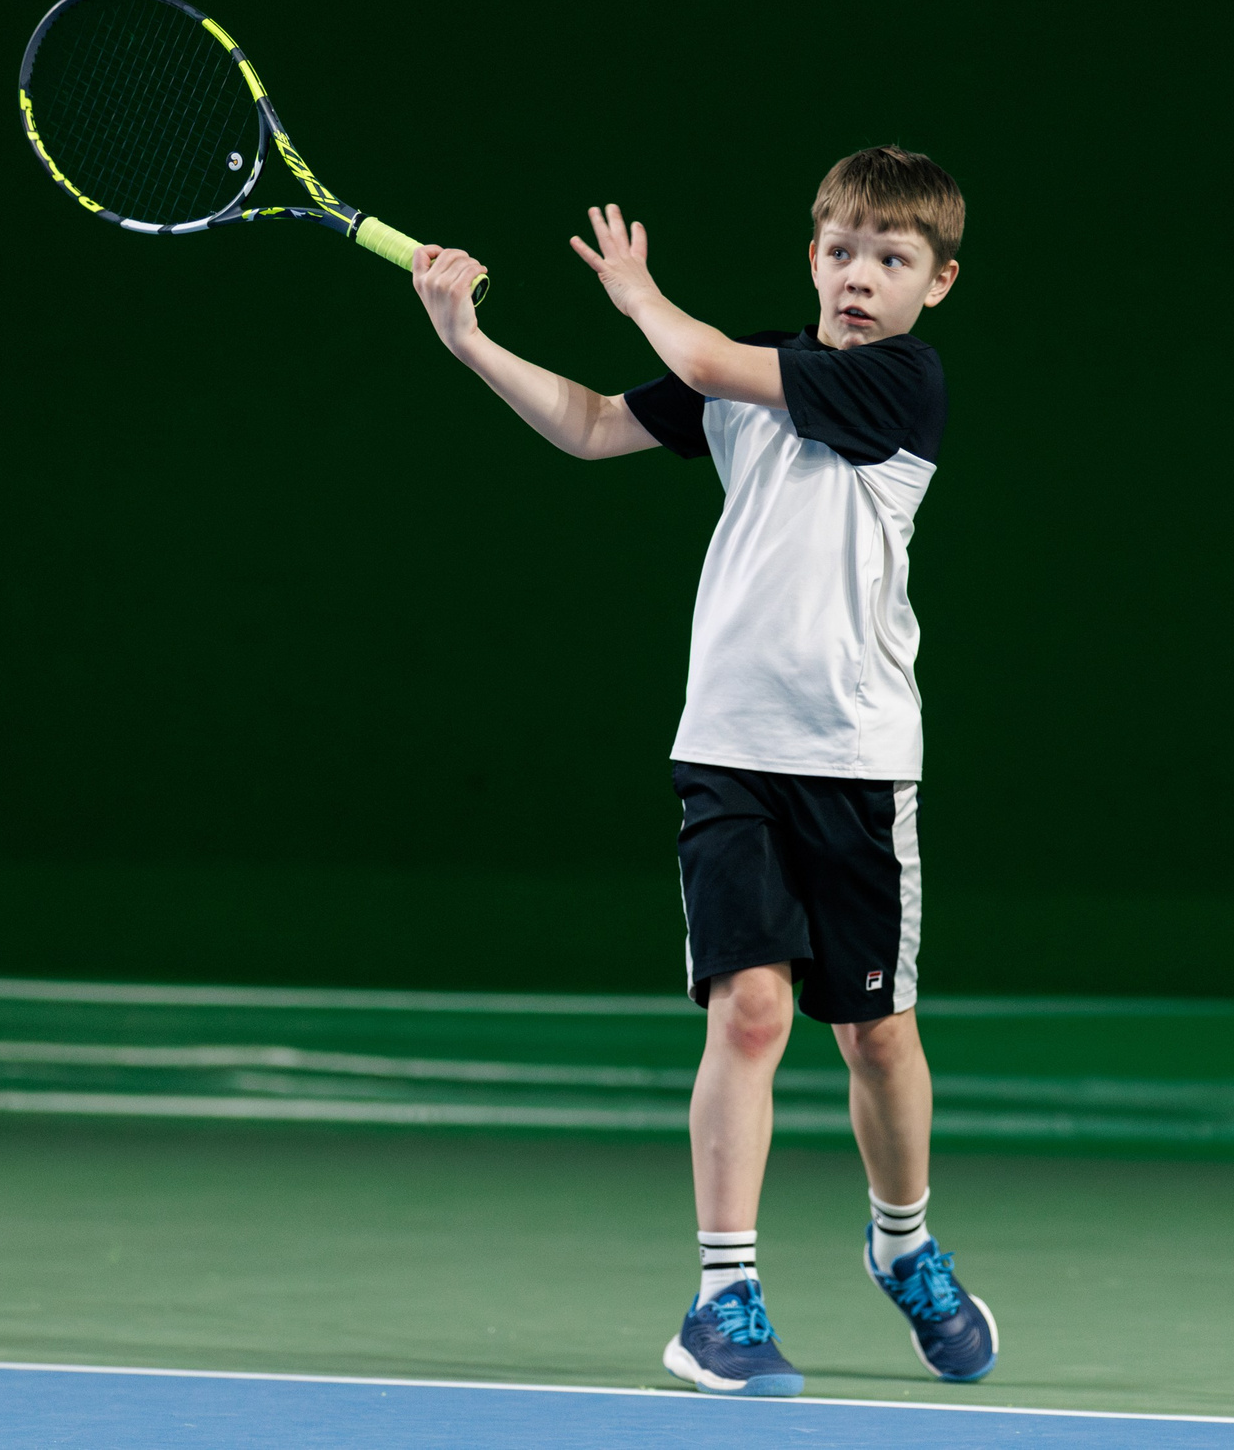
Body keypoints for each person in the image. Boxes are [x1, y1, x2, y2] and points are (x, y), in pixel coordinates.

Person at [408, 146, 996, 1396]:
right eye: (841, 252)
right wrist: (468, 340)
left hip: (858, 759)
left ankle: (903, 1246)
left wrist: (639, 296)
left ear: (934, 286)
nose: (859, 278)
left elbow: (706, 359)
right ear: (812, 258)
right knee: (752, 1008)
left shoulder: (900, 383)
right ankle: (722, 1297)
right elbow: (590, 425)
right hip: (729, 749)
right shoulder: (742, 375)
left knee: (877, 1034)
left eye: (892, 261)